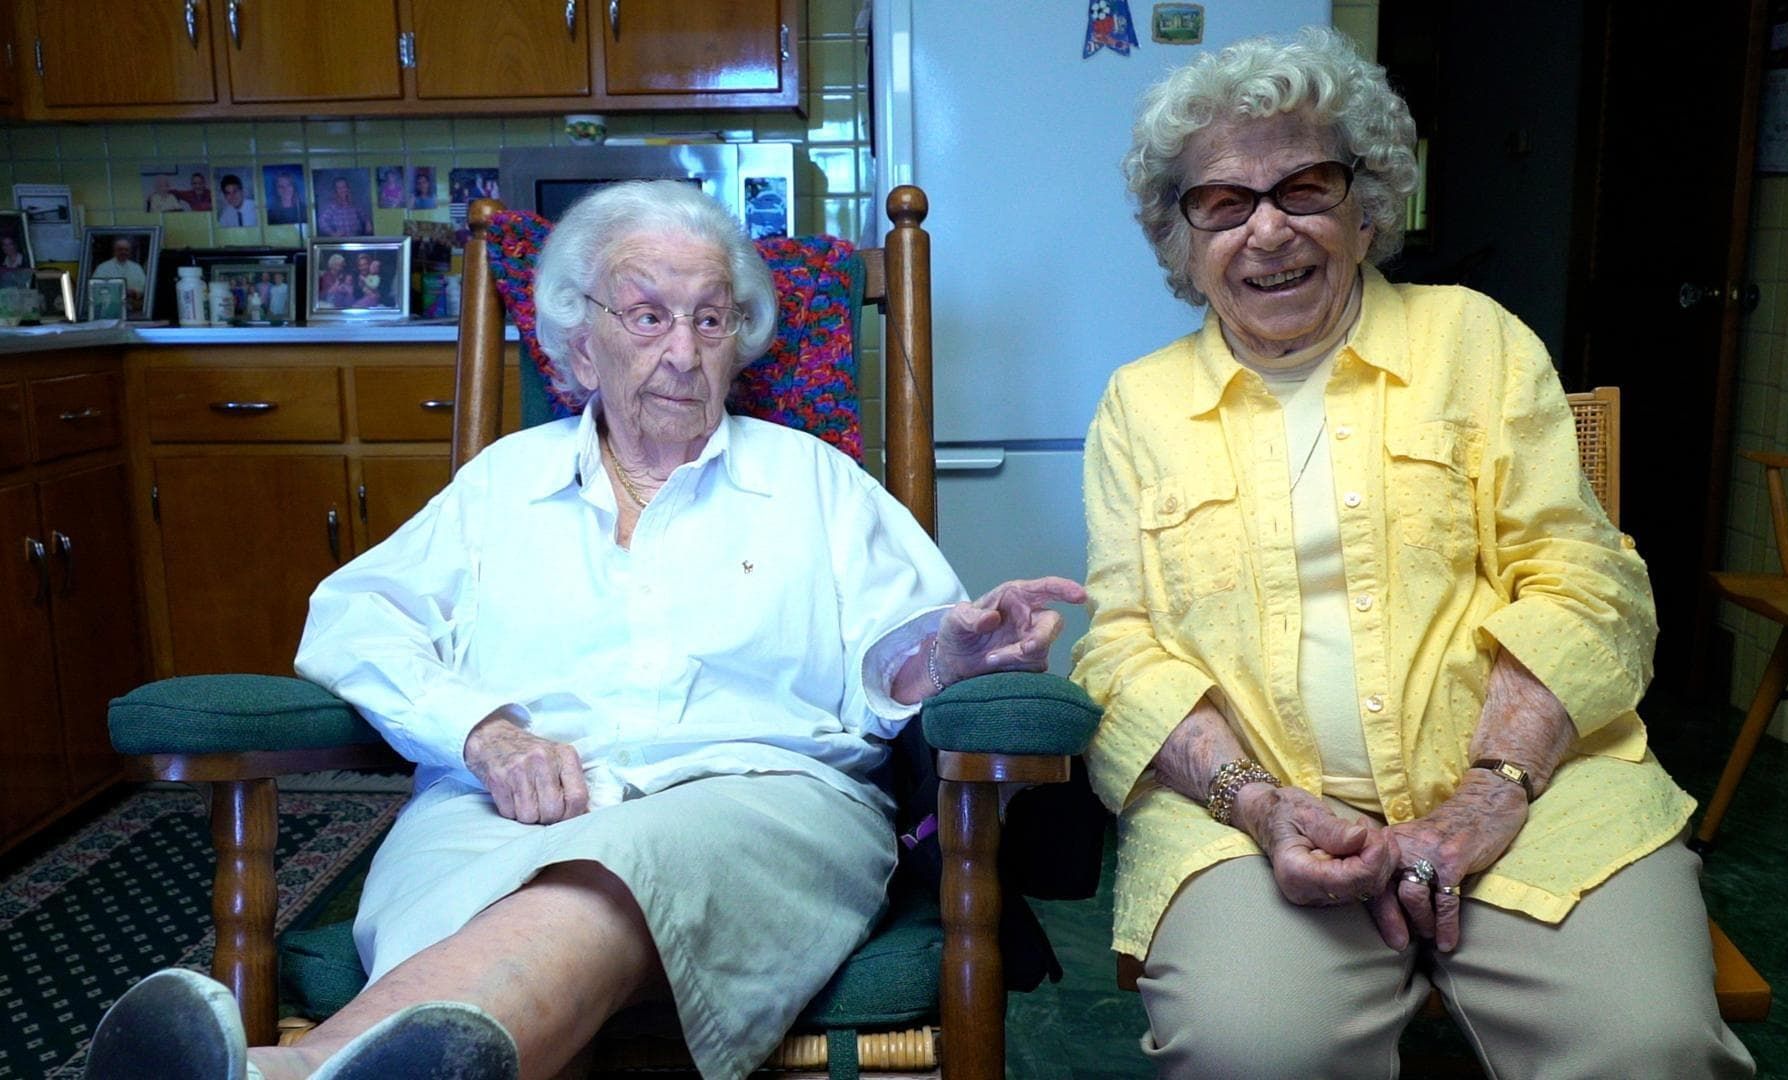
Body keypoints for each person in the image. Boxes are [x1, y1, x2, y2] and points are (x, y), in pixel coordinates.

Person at [86, 178, 1085, 1080]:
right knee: (480, 921)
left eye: (710, 319)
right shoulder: (500, 486)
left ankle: (286, 1070)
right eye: (649, 316)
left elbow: (898, 648)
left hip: (760, 806)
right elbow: (355, 620)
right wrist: (484, 734)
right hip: (498, 811)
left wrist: (951, 653)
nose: (683, 351)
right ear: (578, 344)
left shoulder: (814, 483)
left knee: (611, 880)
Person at [1071, 30, 1753, 1078]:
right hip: (1254, 819)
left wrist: (1492, 790)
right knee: (1254, 1050)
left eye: (1305, 187)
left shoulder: (1475, 340)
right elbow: (1122, 649)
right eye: (1223, 202)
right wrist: (1256, 801)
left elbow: (1585, 580)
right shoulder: (1139, 405)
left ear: (1367, 203)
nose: (1267, 230)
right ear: (1182, 234)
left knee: (1646, 1044)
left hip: (1533, 791)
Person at [89, 237, 147, 311]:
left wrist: (134, 293)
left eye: (126, 250)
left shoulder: (137, 268)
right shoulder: (103, 267)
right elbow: (95, 288)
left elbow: (145, 288)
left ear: (130, 252)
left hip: (133, 308)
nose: (123, 252)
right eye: (120, 249)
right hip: (109, 307)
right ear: (114, 251)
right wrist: (117, 292)